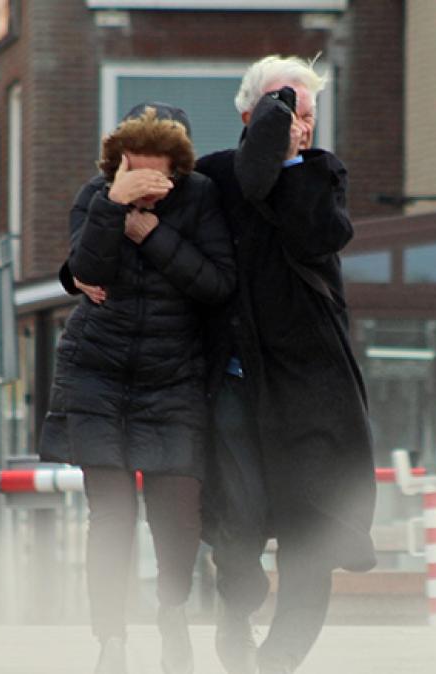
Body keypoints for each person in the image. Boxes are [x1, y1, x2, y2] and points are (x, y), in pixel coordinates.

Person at [72, 56, 378, 674]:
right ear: (246, 114)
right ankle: (237, 608)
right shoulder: (212, 179)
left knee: (309, 524)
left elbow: (312, 227)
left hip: (310, 391)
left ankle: (280, 657)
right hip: (234, 381)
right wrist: (77, 268)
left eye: (306, 113)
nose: (296, 123)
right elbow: (133, 235)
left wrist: (284, 145)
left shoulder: (319, 179)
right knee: (234, 519)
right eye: (281, 108)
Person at [39, 103, 236, 674]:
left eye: (159, 175)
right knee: (111, 516)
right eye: (135, 171)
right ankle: (111, 640)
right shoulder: (96, 196)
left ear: (178, 167)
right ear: (117, 163)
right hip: (96, 374)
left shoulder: (200, 198)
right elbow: (87, 272)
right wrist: (113, 205)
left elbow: (217, 284)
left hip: (173, 378)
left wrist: (151, 236)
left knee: (177, 517)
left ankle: (171, 610)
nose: (150, 186)